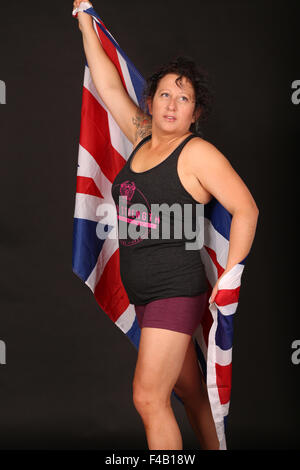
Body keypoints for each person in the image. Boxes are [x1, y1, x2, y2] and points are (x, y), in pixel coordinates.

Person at [73, 0, 259, 451]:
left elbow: (247, 209)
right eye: (166, 94)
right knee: (189, 390)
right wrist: (84, 20)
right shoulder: (139, 136)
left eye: (185, 98)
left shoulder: (196, 154)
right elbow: (109, 86)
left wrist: (230, 276)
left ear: (195, 113)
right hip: (143, 291)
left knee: (148, 398)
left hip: (175, 290)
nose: (173, 104)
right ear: (152, 100)